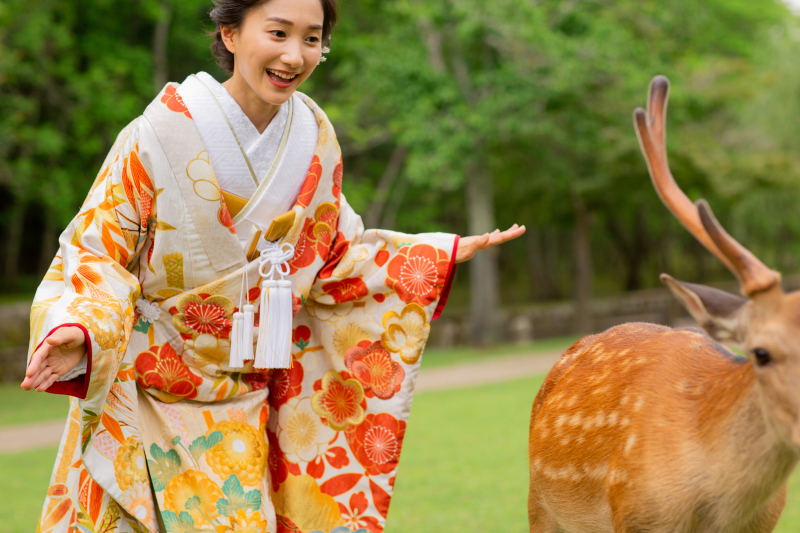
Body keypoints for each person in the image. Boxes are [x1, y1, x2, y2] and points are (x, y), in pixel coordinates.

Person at [22, 0, 525, 531]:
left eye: (312, 38)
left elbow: (334, 259)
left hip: (238, 416)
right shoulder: (159, 135)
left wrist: (426, 256)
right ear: (230, 33)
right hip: (139, 404)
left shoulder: (315, 142)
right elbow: (97, 251)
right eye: (279, 32)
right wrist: (79, 328)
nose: (294, 54)